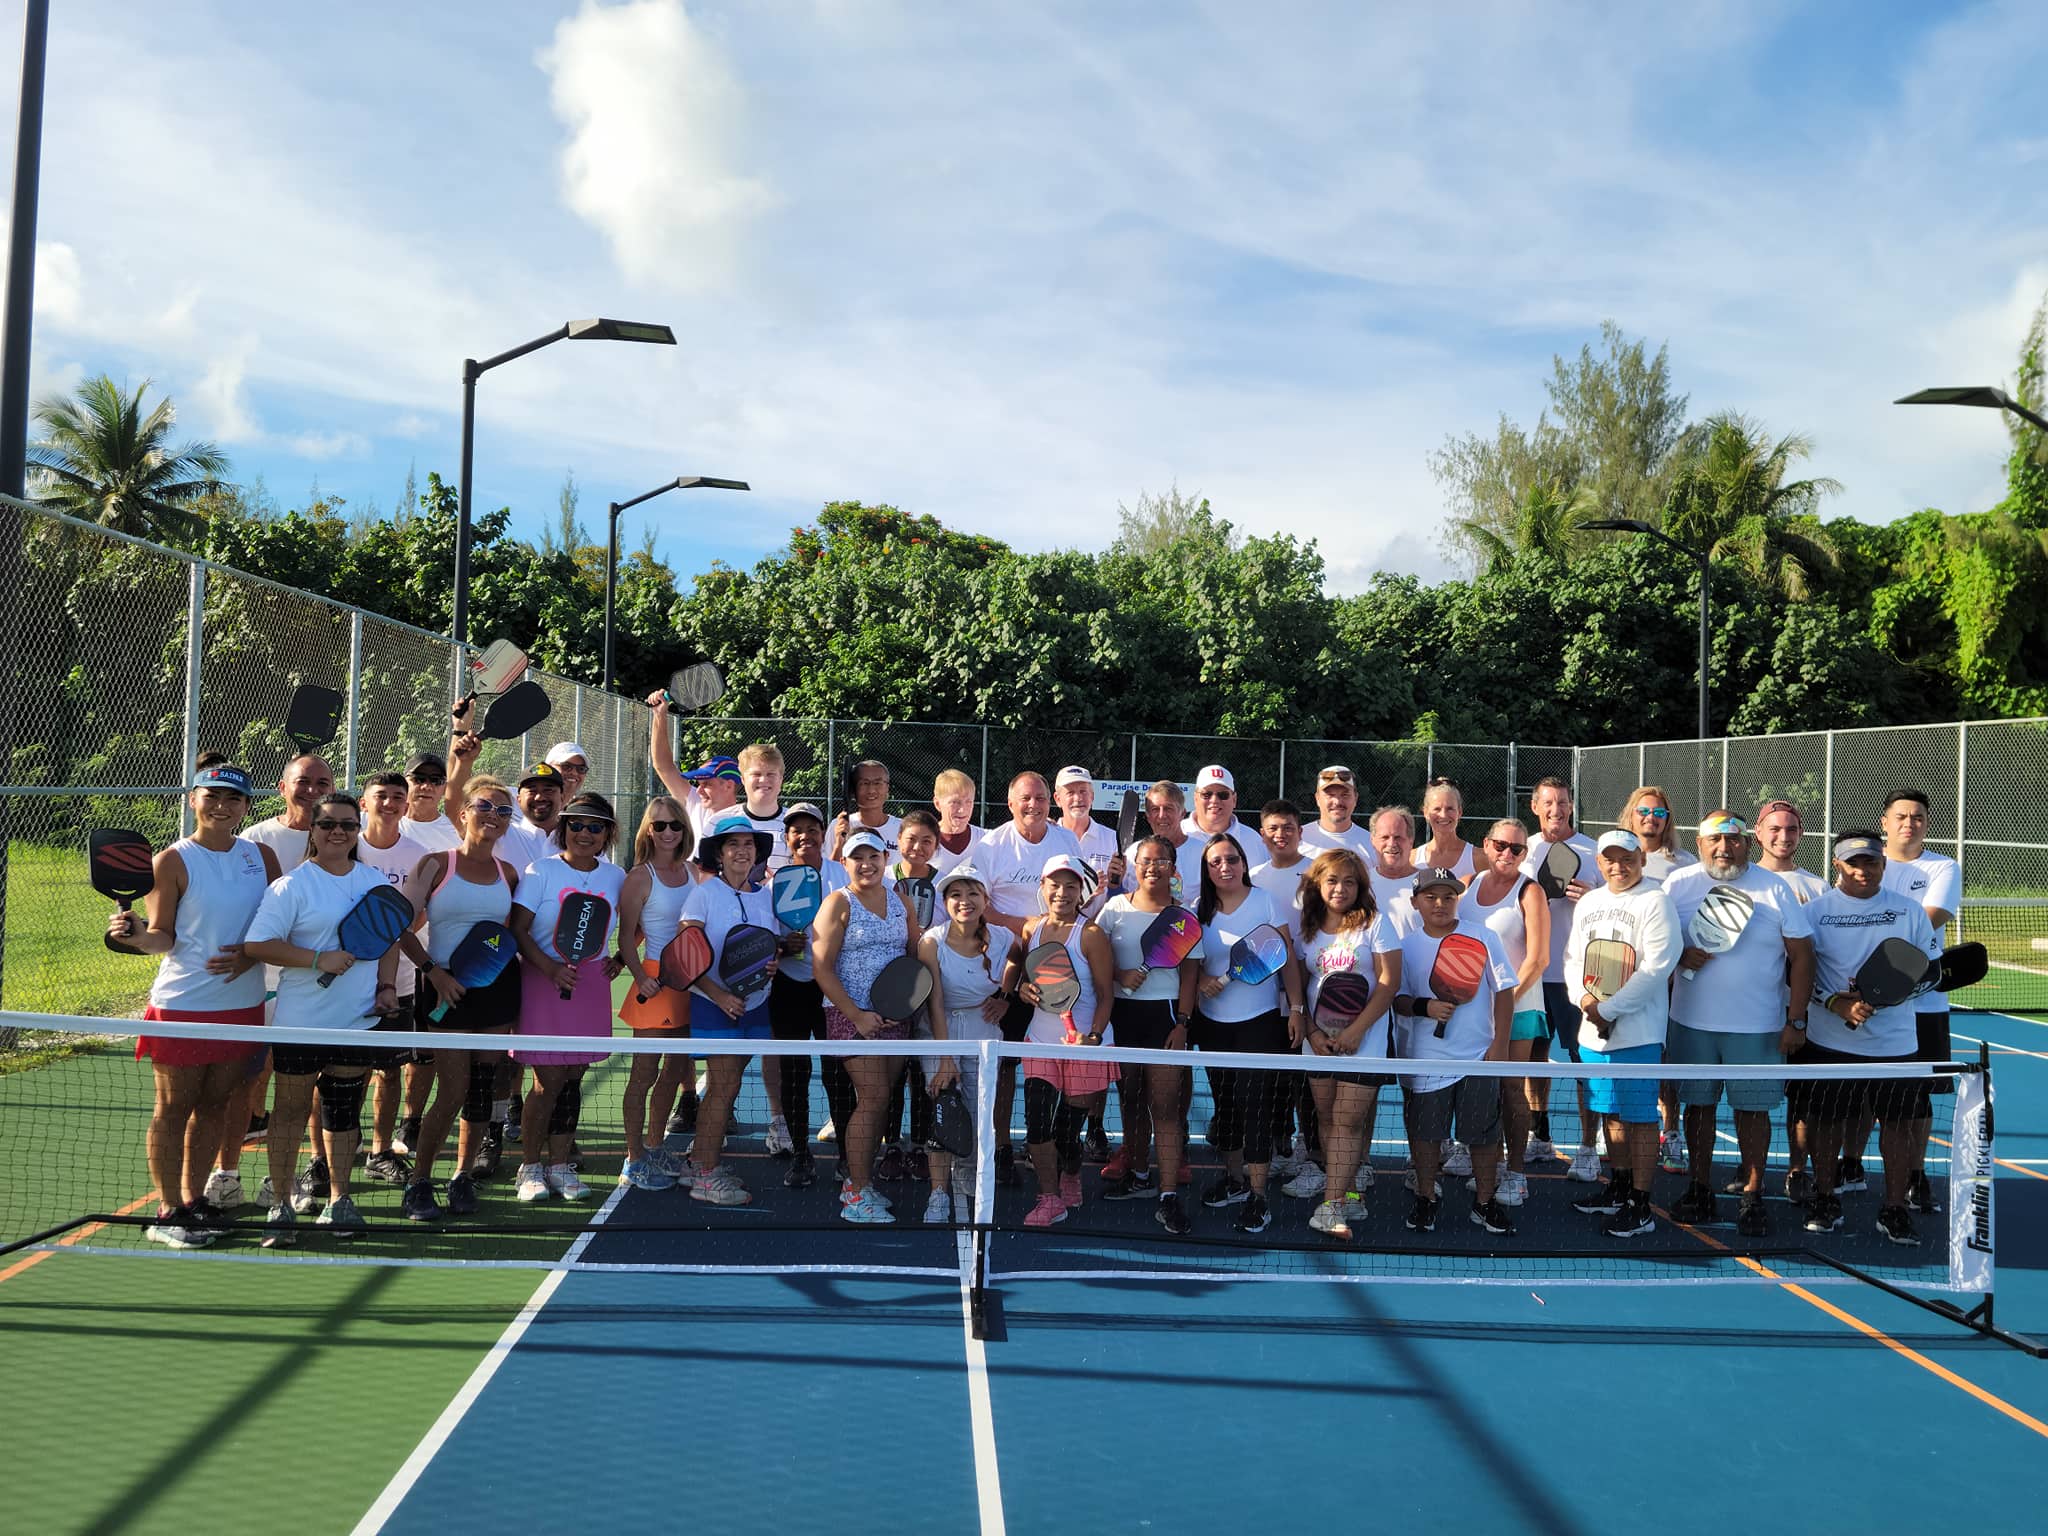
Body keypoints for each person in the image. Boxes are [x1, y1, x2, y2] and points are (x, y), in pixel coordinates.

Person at [110, 762, 278, 1247]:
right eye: (212, 796)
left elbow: (273, 923)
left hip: (243, 1004)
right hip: (182, 1006)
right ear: (193, 800)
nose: (222, 806)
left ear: (247, 806)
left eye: (233, 799)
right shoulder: (172, 861)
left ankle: (193, 1200)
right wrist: (136, 935)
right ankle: (168, 1211)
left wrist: (250, 955)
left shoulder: (261, 857)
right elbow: (162, 936)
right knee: (172, 1107)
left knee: (217, 1107)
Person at [241, 792, 407, 1245]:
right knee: (291, 1113)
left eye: (348, 825)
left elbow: (390, 937)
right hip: (300, 1023)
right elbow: (258, 945)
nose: (339, 832)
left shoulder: (373, 881)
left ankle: (339, 1202)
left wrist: (387, 987)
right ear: (312, 831)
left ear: (358, 831)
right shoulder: (292, 886)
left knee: (342, 1114)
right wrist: (318, 959)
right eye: (329, 824)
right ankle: (281, 1205)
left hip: (356, 1021)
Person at [1663, 811, 1815, 1236]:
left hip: (1759, 1027)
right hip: (1690, 1024)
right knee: (1698, 1108)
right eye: (1714, 839)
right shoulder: (1679, 885)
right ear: (1699, 843)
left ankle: (1752, 1195)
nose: (1723, 848)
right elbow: (1657, 944)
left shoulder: (1775, 888)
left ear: (1747, 843)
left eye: (1732, 839)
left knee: (1752, 1113)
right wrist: (1679, 955)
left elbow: (1802, 957)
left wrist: (1796, 1020)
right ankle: (1699, 1187)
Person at [1793, 830, 1942, 1245]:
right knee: (1826, 1124)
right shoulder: (1815, 912)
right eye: (1853, 862)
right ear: (1837, 864)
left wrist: (1890, 998)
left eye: (1871, 862)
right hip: (1830, 1042)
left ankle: (1894, 1208)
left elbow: (1929, 972)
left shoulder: (1909, 911)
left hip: (1895, 1045)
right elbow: (1799, 975)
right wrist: (1835, 1004)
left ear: (1883, 864)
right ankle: (1825, 1199)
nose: (1863, 870)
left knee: (1897, 1128)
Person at [394, 773, 525, 1220]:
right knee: (451, 1090)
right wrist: (433, 972)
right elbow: (401, 928)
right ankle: (419, 1182)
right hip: (444, 984)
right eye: (485, 807)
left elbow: (504, 939)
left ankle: (462, 1177)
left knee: (483, 1092)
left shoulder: (508, 873)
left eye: (503, 811)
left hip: (496, 987)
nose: (493, 817)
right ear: (464, 813)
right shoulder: (434, 864)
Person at [507, 792, 628, 1205]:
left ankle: (560, 1165)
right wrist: (550, 968)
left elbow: (635, 923)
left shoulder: (616, 877)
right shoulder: (539, 871)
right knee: (547, 1081)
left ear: (608, 834)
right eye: (576, 824)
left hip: (590, 983)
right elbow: (519, 929)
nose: (584, 833)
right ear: (564, 828)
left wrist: (621, 958)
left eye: (595, 827)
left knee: (574, 1077)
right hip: (542, 980)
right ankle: (530, 1167)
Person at [1563, 830, 1682, 1239]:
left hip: (1639, 1036)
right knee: (1610, 1113)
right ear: (1599, 863)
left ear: (1642, 860)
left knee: (1640, 1118)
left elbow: (1656, 968)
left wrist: (1609, 1009)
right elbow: (1573, 957)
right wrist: (1584, 1002)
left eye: (1627, 858)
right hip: (1593, 1033)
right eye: (1610, 859)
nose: (1619, 866)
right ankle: (1619, 1185)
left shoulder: (1657, 901)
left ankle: (1640, 1203)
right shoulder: (1592, 902)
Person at [1391, 866, 1519, 1236]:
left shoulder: (1483, 936)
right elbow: (1396, 999)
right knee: (1426, 1135)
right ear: (1416, 902)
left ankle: (1484, 1202)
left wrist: (1499, 1047)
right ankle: (1427, 1197)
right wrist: (1424, 1007)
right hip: (1425, 1059)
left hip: (1478, 1057)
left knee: (1483, 1136)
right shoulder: (1406, 946)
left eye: (1448, 896)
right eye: (1430, 896)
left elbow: (1505, 990)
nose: (1440, 903)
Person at [1190, 831, 1304, 1235]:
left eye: (1231, 859)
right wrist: (1205, 978)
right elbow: (1193, 965)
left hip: (1259, 1022)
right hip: (1212, 1024)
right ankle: (1235, 1180)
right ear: (1206, 870)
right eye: (1216, 862)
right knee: (1226, 1106)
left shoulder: (1264, 902)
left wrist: (1295, 1008)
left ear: (1242, 862)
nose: (1225, 867)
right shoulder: (1197, 910)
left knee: (1255, 1107)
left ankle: (1258, 1196)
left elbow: (1285, 957)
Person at [974, 772, 1085, 1184]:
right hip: (1008, 966)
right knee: (1003, 1066)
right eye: (1025, 798)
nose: (1033, 804)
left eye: (1040, 797)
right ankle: (1001, 1147)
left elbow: (1080, 895)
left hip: (1059, 967)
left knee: (1066, 1059)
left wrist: (1052, 933)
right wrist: (1033, 927)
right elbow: (980, 907)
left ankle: (1059, 1141)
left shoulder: (1065, 841)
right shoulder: (991, 846)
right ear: (1010, 802)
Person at [1094, 835, 1205, 1232]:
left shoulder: (1182, 917)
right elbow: (1094, 957)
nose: (1153, 867)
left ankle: (1168, 1193)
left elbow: (1191, 974)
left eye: (1161, 861)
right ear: (1135, 865)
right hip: (1122, 1018)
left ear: (1173, 869)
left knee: (1166, 1108)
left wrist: (1183, 1023)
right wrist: (1118, 975)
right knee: (1130, 1101)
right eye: (1146, 860)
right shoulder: (1114, 910)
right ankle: (1139, 1177)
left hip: (1165, 1018)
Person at [1000, 855, 1117, 1228]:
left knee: (1067, 1133)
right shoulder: (1031, 929)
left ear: (1081, 891)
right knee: (1036, 1125)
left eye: (1070, 885)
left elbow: (1105, 994)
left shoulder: (1091, 934)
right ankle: (1049, 1198)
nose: (1061, 892)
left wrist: (1093, 1037)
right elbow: (1021, 978)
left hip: (1083, 1044)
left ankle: (1070, 1172)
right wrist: (1022, 992)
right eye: (1054, 884)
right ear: (1043, 888)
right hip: (1039, 1041)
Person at [813, 829, 922, 1223]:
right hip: (849, 1016)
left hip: (895, 1018)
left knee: (880, 1100)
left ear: (885, 859)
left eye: (873, 856)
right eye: (857, 857)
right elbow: (821, 969)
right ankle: (856, 1192)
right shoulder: (837, 904)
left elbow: (912, 955)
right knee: (873, 1097)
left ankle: (862, 1183)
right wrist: (858, 1015)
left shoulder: (901, 902)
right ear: (845, 862)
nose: (866, 864)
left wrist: (905, 1004)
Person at [1294, 848, 1401, 1239]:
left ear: (1361, 888)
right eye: (1332, 880)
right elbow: (1298, 989)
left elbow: (1389, 983)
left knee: (1347, 1120)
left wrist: (1356, 1032)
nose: (1340, 888)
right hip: (1318, 1042)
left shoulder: (1375, 924)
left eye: (1350, 881)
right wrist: (1313, 1033)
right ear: (1318, 884)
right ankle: (1349, 1191)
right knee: (1327, 1119)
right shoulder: (1306, 929)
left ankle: (1331, 1205)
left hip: (1366, 1042)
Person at [675, 813, 780, 1205]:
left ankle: (699, 1159)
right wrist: (718, 995)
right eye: (733, 844)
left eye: (748, 845)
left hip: (756, 1006)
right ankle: (704, 1171)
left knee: (729, 1086)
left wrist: (772, 963)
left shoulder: (765, 897)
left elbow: (768, 949)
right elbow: (686, 956)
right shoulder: (703, 894)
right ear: (719, 853)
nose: (741, 851)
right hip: (713, 1005)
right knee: (723, 1085)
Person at [1456, 819, 1550, 1206]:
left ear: (1525, 853)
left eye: (1516, 849)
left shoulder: (1530, 892)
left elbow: (1538, 959)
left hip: (1519, 1008)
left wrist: (1503, 1004)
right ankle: (1489, 1166)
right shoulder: (1469, 884)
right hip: (1476, 1010)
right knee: (1483, 1090)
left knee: (1512, 1091)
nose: (1507, 854)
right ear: (1487, 844)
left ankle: (1516, 1174)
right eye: (1500, 845)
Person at [1875, 788, 1957, 1219]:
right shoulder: (1867, 862)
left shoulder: (1943, 866)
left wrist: (1877, 953)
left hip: (1924, 1004)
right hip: (1866, 1001)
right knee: (1854, 1095)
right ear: (1885, 822)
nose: (1910, 823)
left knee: (1920, 1098)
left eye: (1918, 817)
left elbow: (1929, 918)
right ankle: (1849, 1166)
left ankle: (1916, 1175)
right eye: (1902, 816)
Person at [916, 864, 1009, 1222]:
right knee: (944, 1112)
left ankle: (968, 1172)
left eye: (972, 893)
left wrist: (1006, 995)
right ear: (945, 901)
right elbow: (934, 1001)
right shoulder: (931, 942)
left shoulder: (1001, 938)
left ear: (985, 900)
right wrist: (945, 1058)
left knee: (980, 1111)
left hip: (984, 1033)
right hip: (939, 1033)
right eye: (955, 894)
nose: (964, 901)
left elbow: (1018, 959)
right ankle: (939, 1193)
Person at [616, 797, 700, 1191]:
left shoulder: (694, 874)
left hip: (690, 985)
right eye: (660, 825)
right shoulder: (639, 877)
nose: (668, 832)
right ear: (648, 830)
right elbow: (627, 937)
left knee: (676, 1072)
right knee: (643, 1075)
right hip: (654, 982)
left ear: (684, 829)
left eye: (675, 825)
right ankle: (634, 1158)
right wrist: (638, 974)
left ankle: (655, 1144)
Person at [1521, 776, 1602, 1178]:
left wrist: (1592, 897)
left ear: (1572, 806)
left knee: (1582, 1060)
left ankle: (1588, 1147)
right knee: (1533, 1058)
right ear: (1535, 806)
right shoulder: (1524, 850)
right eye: (1548, 802)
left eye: (1563, 802)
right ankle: (1540, 1136)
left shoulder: (1594, 852)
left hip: (1578, 978)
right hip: (1532, 974)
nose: (1556, 809)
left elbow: (1617, 904)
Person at [768, 803, 851, 1190]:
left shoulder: (842, 877)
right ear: (786, 839)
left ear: (824, 834)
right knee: (794, 1074)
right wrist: (782, 944)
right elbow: (764, 939)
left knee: (839, 1075)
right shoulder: (775, 883)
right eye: (795, 830)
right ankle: (802, 1155)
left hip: (833, 987)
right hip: (790, 988)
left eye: (812, 829)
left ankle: (849, 1156)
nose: (804, 836)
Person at [356, 771, 429, 1188]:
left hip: (400, 980)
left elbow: (416, 915)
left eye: (396, 797)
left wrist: (388, 940)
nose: (389, 803)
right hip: (348, 980)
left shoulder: (418, 855)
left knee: (389, 1070)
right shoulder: (346, 847)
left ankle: (381, 1151)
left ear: (406, 805)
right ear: (364, 803)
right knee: (342, 1070)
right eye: (380, 796)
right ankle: (334, 1153)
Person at [876, 809, 945, 1180]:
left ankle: (919, 1144)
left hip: (930, 982)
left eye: (927, 841)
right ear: (897, 841)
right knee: (893, 1071)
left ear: (936, 846)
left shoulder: (945, 881)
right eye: (911, 839)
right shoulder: (884, 877)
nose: (917, 847)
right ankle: (891, 1145)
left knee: (922, 1071)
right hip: (889, 984)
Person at [1128, 779, 1205, 904]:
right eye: (1155, 809)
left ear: (1182, 813)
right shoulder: (1133, 853)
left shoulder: (1203, 853)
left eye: (1168, 808)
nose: (1162, 815)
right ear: (1148, 816)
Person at [1754, 800, 1828, 904]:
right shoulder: (1743, 882)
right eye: (1775, 829)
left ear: (1800, 833)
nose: (1784, 838)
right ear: (1758, 832)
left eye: (1791, 830)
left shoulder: (1819, 888)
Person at [1620, 785, 1696, 885]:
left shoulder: (1686, 863)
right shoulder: (1613, 858)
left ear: (1667, 819)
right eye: (1643, 811)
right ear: (1630, 815)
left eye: (1659, 812)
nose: (1651, 817)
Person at [1297, 765, 1373, 860]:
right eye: (1330, 795)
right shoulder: (1297, 841)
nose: (1337, 801)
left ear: (1355, 798)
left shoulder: (1372, 845)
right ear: (1317, 798)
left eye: (1345, 795)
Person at [1248, 798, 1311, 910]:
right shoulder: (1253, 877)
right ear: (1263, 834)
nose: (1280, 834)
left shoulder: (1318, 872)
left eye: (1288, 828)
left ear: (1300, 832)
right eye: (1273, 828)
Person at [831, 759, 901, 859]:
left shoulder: (903, 829)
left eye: (877, 783)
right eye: (864, 783)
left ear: (887, 787)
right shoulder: (839, 826)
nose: (871, 790)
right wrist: (839, 843)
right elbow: (828, 871)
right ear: (853, 789)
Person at [1365, 804, 1422, 925]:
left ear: (1411, 840)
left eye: (1398, 837)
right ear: (1372, 841)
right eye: (1384, 837)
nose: (1391, 844)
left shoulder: (1429, 884)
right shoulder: (1361, 883)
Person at [400, 752, 462, 853]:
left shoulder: (457, 831)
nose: (427, 787)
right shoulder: (388, 824)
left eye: (436, 780)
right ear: (403, 783)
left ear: (445, 787)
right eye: (419, 779)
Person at [1415, 776, 1475, 879]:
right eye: (1437, 809)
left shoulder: (1478, 859)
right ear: (1425, 812)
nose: (1443, 815)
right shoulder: (1412, 860)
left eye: (1450, 809)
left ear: (1459, 812)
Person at [929, 768, 986, 875]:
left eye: (968, 802)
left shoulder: (987, 839)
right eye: (955, 802)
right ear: (937, 804)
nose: (962, 810)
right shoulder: (922, 841)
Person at [1184, 764, 1256, 843]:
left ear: (1234, 800)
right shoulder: (1178, 834)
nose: (1214, 800)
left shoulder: (1254, 840)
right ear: (1196, 799)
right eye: (1206, 794)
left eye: (1223, 795)